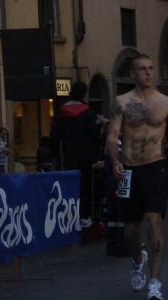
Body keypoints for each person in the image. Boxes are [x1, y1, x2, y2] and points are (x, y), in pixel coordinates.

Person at [106, 54, 168, 300]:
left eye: (151, 68)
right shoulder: (121, 102)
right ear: (132, 74)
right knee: (131, 230)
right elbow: (112, 136)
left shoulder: (167, 103)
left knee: (153, 222)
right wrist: (115, 162)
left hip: (156, 168)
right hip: (129, 170)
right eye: (142, 69)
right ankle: (138, 260)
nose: (148, 73)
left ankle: (155, 283)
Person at [50, 81, 106, 228]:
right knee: (85, 187)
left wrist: (54, 154)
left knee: (69, 187)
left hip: (68, 157)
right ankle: (84, 216)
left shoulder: (62, 112)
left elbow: (55, 136)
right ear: (84, 94)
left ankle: (69, 215)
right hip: (86, 158)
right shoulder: (88, 113)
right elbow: (95, 136)